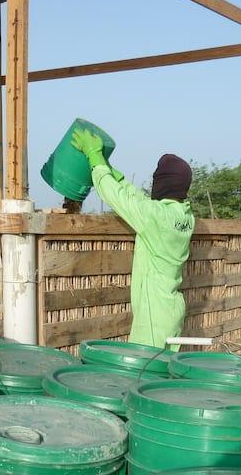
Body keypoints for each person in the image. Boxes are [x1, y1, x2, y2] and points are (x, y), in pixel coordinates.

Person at [70, 128, 195, 349]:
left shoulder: (157, 218)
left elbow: (115, 196)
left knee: (147, 375)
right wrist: (111, 170)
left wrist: (94, 158)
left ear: (162, 183)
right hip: (172, 309)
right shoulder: (184, 216)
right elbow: (138, 200)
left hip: (154, 316)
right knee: (164, 374)